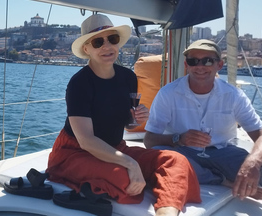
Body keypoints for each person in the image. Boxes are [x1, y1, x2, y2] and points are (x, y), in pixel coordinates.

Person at [46, 14, 201, 216]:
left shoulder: (128, 77)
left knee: (176, 160)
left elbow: (127, 124)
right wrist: (130, 163)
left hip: (115, 148)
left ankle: (167, 211)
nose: (107, 46)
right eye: (98, 42)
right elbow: (86, 141)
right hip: (75, 153)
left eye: (112, 39)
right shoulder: (79, 84)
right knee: (124, 178)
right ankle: (151, 181)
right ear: (87, 49)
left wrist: (136, 118)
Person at [144, 39, 262, 200]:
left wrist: (253, 162)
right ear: (187, 65)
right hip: (183, 153)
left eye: (207, 61)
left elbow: (260, 135)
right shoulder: (168, 94)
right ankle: (222, 180)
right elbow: (150, 140)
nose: (200, 66)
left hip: (224, 153)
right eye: (193, 61)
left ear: (219, 65)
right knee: (156, 156)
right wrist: (179, 138)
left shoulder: (234, 95)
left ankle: (213, 176)